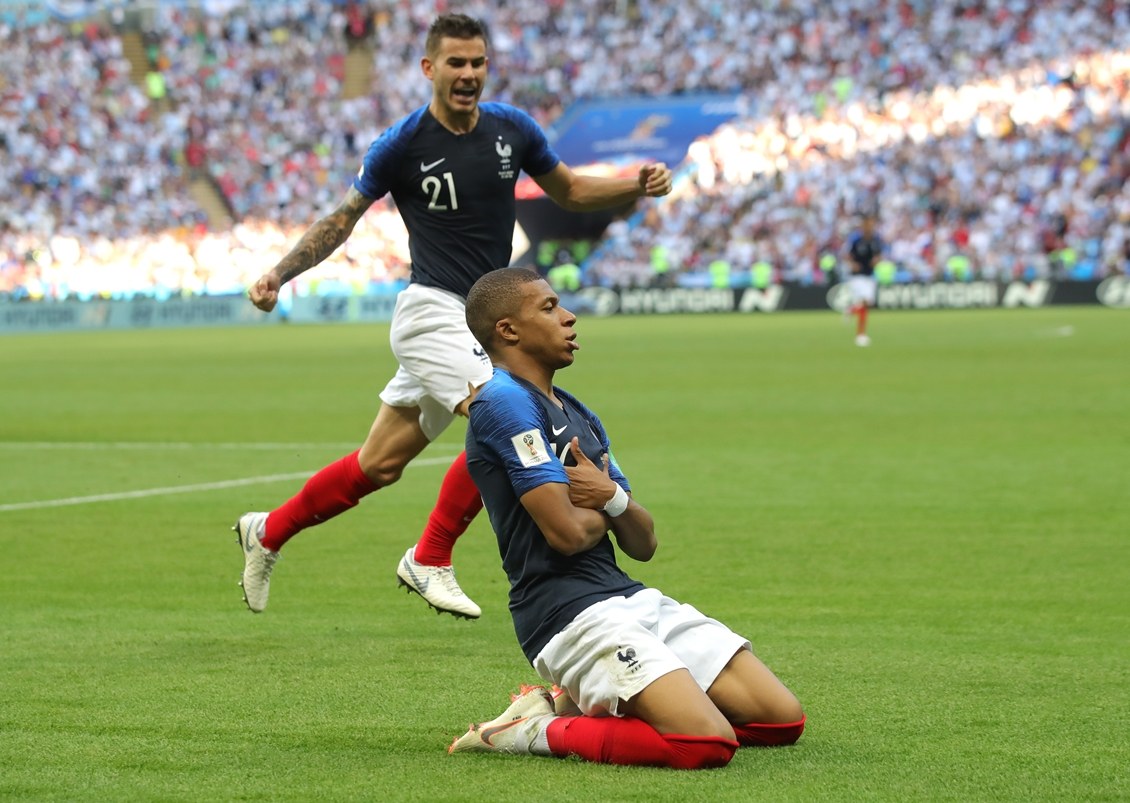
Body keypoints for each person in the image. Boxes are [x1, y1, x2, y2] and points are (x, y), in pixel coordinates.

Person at [235, 13, 672, 616]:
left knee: (379, 465)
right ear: (429, 68)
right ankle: (431, 555)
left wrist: (635, 186)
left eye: (478, 63)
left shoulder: (511, 129)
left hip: (479, 322)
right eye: (456, 63)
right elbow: (342, 219)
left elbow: (568, 190)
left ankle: (268, 531)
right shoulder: (402, 144)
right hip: (433, 310)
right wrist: (277, 274)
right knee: (504, 405)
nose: (469, 74)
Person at [448, 267, 804, 769]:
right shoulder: (503, 403)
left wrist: (609, 499)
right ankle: (535, 729)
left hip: (625, 594)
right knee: (705, 744)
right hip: (565, 614)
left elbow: (643, 540)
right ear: (508, 330)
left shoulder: (578, 412)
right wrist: (610, 508)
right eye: (549, 308)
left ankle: (569, 701)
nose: (569, 317)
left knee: (780, 721)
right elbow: (567, 534)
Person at [845, 215, 883, 347]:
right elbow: (847, 255)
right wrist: (852, 264)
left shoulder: (875, 240)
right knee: (865, 303)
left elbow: (879, 254)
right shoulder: (856, 240)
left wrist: (877, 260)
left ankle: (851, 309)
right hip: (857, 276)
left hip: (869, 276)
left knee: (866, 305)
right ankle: (861, 335)